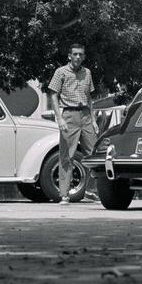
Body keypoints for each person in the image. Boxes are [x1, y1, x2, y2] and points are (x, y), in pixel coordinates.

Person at [48, 44, 96, 202]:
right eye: (74, 54)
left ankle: (91, 190)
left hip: (86, 115)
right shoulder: (60, 72)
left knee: (94, 155)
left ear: (84, 57)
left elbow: (89, 97)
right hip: (69, 114)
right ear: (69, 56)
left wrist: (94, 120)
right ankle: (64, 194)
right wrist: (59, 118)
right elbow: (53, 95)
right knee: (67, 155)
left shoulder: (87, 72)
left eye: (80, 54)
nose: (77, 57)